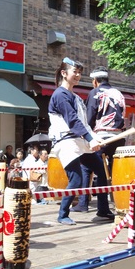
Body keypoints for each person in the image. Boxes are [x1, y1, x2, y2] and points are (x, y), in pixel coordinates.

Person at [48, 57, 114, 225]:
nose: (77, 75)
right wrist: (90, 139)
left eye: (79, 73)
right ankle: (63, 214)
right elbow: (72, 121)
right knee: (76, 179)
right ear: (64, 73)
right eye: (74, 72)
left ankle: (103, 209)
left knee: (100, 170)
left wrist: (95, 137)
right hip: (66, 142)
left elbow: (83, 123)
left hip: (80, 140)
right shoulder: (60, 95)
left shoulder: (75, 97)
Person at [72, 66, 126, 212]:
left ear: (95, 81)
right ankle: (119, 203)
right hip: (118, 137)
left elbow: (89, 118)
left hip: (101, 136)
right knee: (113, 171)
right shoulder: (118, 93)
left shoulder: (95, 93)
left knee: (87, 166)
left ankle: (84, 203)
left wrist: (85, 136)